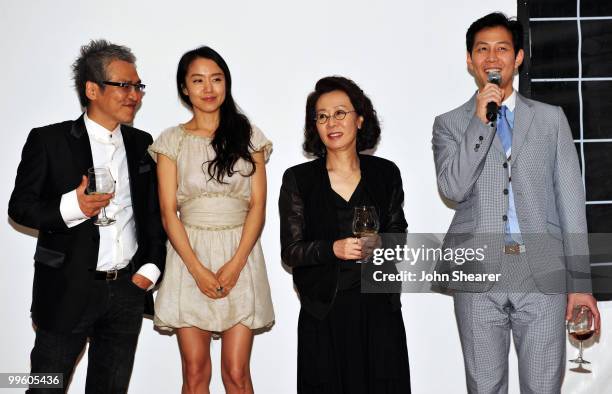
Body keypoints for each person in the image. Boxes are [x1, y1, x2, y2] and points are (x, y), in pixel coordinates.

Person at [432, 12, 601, 393]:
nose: (492, 58)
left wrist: (580, 283)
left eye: (502, 48)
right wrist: (480, 122)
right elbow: (453, 189)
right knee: (484, 386)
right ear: (470, 60)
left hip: (542, 271)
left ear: (519, 57)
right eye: (483, 49)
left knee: (543, 386)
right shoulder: (449, 124)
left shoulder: (551, 120)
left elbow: (571, 201)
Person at [8, 40, 166, 393]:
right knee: (44, 386)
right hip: (65, 290)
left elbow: (152, 213)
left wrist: (151, 268)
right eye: (123, 85)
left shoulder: (142, 143)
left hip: (126, 290)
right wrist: (72, 207)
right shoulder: (49, 140)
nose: (134, 95)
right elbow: (20, 207)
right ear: (92, 89)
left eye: (137, 86)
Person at [148, 46, 274, 394]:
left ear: (226, 84)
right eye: (198, 80)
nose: (208, 88)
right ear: (184, 88)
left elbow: (258, 207)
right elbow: (167, 212)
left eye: (216, 79)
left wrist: (236, 264)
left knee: (236, 373)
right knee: (195, 372)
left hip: (241, 253)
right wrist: (198, 269)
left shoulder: (249, 137)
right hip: (189, 257)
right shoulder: (171, 141)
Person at [279, 76, 411, 393]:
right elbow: (292, 251)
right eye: (322, 116)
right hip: (324, 311)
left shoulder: (385, 173)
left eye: (340, 113)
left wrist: (381, 242)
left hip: (379, 310)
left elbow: (399, 235)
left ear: (360, 118)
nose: (331, 122)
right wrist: (332, 249)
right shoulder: (299, 179)